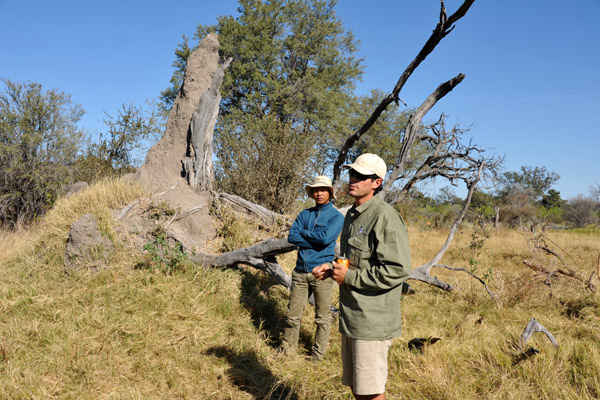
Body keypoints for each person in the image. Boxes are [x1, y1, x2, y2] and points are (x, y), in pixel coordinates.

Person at [313, 153, 411, 400]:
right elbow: (356, 261)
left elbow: (397, 269)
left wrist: (350, 278)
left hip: (372, 319)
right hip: (352, 316)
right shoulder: (354, 215)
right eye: (352, 174)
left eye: (362, 176)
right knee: (358, 388)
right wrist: (333, 267)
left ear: (377, 183)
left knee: (371, 393)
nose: (353, 179)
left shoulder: (384, 216)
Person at [282, 175, 344, 361]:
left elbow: (326, 239)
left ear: (330, 193)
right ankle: (287, 351)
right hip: (300, 271)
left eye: (323, 190)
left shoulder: (336, 216)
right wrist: (316, 239)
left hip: (323, 273)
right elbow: (292, 237)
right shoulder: (305, 214)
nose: (319, 193)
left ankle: (317, 356)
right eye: (316, 190)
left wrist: (306, 234)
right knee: (293, 314)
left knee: (323, 317)